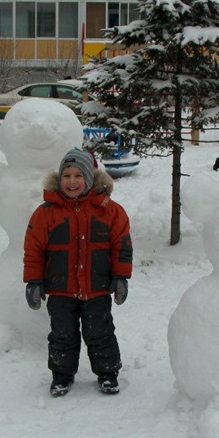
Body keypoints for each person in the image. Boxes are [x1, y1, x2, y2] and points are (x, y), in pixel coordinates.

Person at [23, 148, 133, 397]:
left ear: (90, 178)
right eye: (67, 176)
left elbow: (122, 246)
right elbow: (34, 249)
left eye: (78, 175)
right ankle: (62, 374)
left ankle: (107, 372)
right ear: (59, 179)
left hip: (97, 287)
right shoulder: (46, 212)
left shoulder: (110, 210)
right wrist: (33, 281)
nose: (72, 181)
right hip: (60, 288)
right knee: (62, 335)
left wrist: (120, 277)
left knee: (100, 332)